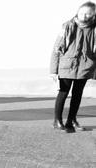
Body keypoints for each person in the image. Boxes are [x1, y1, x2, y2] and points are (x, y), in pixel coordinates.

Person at [51, 2, 96, 132]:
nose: (84, 16)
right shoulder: (68, 26)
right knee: (63, 92)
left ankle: (71, 120)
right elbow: (56, 49)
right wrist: (53, 70)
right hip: (66, 66)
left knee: (77, 94)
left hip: (85, 66)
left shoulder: (94, 28)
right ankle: (57, 121)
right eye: (81, 13)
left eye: (87, 13)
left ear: (93, 14)